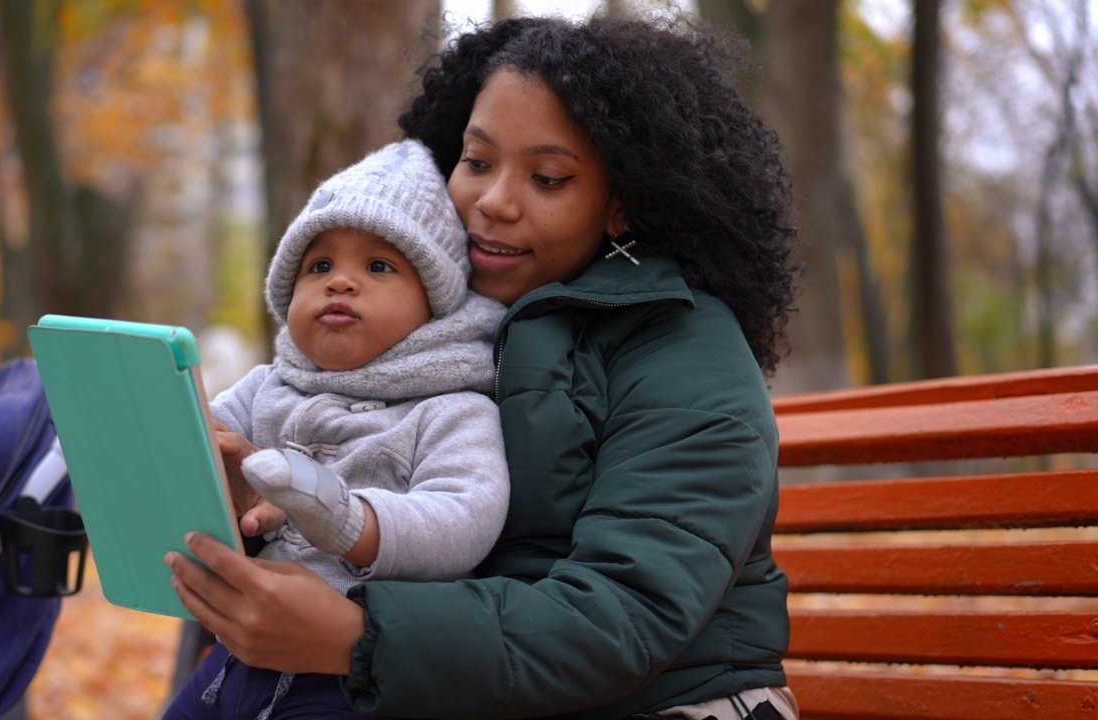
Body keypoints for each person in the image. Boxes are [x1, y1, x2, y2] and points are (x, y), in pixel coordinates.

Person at [166, 9, 801, 720]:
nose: (493, 203)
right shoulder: (441, 335)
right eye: (477, 161)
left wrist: (357, 635)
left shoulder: (684, 347)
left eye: (550, 177)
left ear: (622, 204)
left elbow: (626, 612)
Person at [163, 139, 511, 718]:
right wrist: (185, 439)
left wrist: (352, 519)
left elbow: (467, 514)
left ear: (434, 301)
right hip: (236, 656)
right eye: (319, 265)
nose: (340, 282)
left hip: (352, 682)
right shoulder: (269, 385)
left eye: (378, 266)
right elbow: (204, 443)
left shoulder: (450, 407)